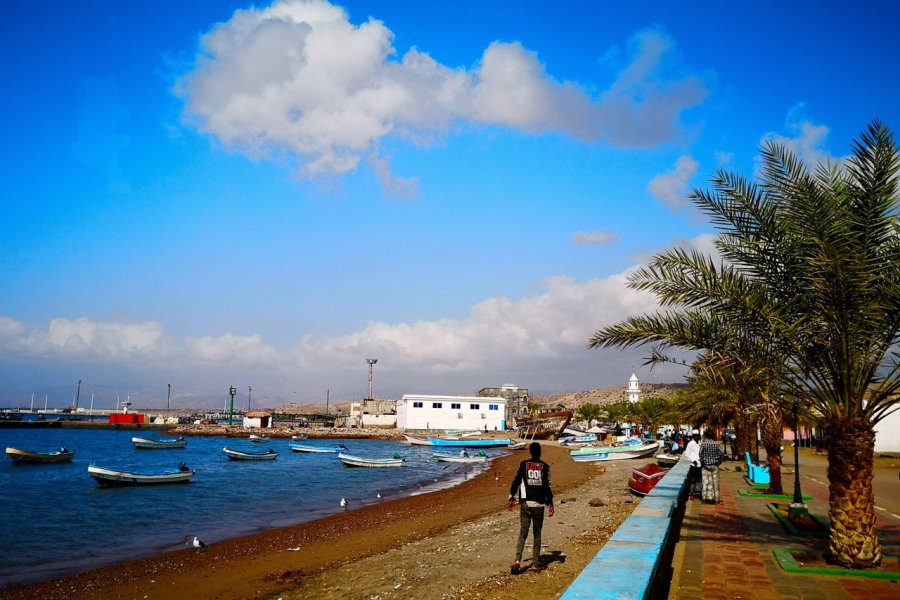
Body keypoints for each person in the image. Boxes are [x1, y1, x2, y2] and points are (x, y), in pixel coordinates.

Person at [507, 442, 554, 573]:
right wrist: (551, 504)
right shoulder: (545, 467)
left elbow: (516, 481)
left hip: (525, 504)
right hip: (539, 505)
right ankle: (535, 563)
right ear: (540, 452)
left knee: (523, 532)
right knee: (537, 534)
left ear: (530, 452)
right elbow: (547, 486)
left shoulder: (524, 465)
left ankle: (517, 560)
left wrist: (511, 496)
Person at [699, 429, 726, 504]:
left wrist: (704, 464)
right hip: (715, 465)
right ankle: (716, 499)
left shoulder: (704, 444)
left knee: (705, 482)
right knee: (715, 482)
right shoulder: (716, 444)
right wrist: (719, 462)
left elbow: (700, 454)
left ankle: (704, 499)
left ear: (706, 435)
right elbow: (722, 453)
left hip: (705, 466)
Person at [684, 429, 702, 499]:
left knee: (699, 479)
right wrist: (693, 460)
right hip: (693, 464)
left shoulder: (700, 443)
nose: (696, 437)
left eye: (697, 435)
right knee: (692, 479)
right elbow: (687, 454)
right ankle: (691, 493)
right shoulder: (690, 444)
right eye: (695, 436)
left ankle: (697, 492)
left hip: (700, 463)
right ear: (693, 436)